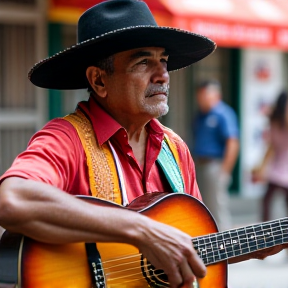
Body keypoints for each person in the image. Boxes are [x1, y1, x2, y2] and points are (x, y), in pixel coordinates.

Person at [0, 1, 285, 287]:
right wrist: (142, 231)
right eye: (143, 62)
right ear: (99, 80)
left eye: (163, 60)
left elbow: (190, 244)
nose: (162, 74)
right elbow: (11, 200)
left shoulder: (175, 149)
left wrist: (249, 245)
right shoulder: (67, 139)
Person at [192, 80, 239, 231]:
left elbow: (233, 143)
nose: (201, 99)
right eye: (199, 95)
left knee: (217, 207)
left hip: (215, 166)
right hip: (200, 165)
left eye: (204, 95)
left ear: (216, 95)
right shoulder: (200, 116)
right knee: (202, 206)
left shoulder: (223, 114)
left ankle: (224, 245)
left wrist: (225, 171)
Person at [252, 91, 288, 222]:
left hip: (283, 167)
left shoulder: (279, 122)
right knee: (267, 201)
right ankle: (266, 230)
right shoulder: (275, 123)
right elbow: (270, 147)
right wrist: (261, 167)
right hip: (278, 168)